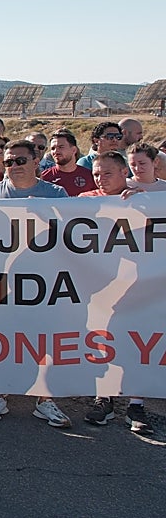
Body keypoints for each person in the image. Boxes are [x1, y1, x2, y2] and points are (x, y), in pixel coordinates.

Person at [0, 140, 70, 429]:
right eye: (8, 162)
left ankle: (45, 400)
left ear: (36, 160)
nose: (13, 167)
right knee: (3, 334)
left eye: (19, 161)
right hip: (3, 278)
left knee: (45, 338)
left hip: (45, 278)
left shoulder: (55, 193)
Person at [77, 151, 155, 437]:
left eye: (107, 173)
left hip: (138, 288)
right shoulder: (85, 201)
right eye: (97, 173)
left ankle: (136, 403)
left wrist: (143, 200)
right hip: (98, 290)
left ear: (125, 173)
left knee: (137, 341)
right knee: (103, 340)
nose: (100, 178)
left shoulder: (143, 199)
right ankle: (105, 399)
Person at [39, 130, 94, 196]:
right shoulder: (45, 177)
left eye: (61, 147)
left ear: (74, 150)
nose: (56, 151)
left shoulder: (89, 176)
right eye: (53, 148)